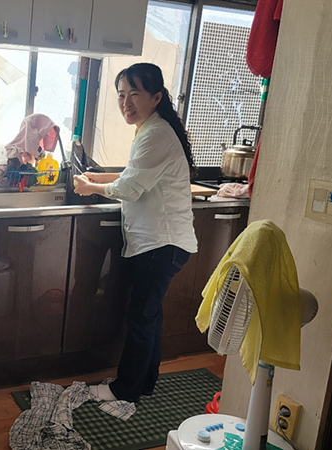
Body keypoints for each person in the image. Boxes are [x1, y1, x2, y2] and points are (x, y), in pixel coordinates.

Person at [74, 63, 198, 403]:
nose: (126, 102)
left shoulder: (156, 135)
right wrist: (96, 179)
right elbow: (134, 174)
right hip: (162, 243)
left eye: (135, 94)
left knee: (142, 318)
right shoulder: (151, 129)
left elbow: (129, 188)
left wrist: (90, 188)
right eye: (121, 95)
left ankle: (124, 390)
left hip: (161, 243)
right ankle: (144, 382)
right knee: (149, 317)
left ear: (156, 97)